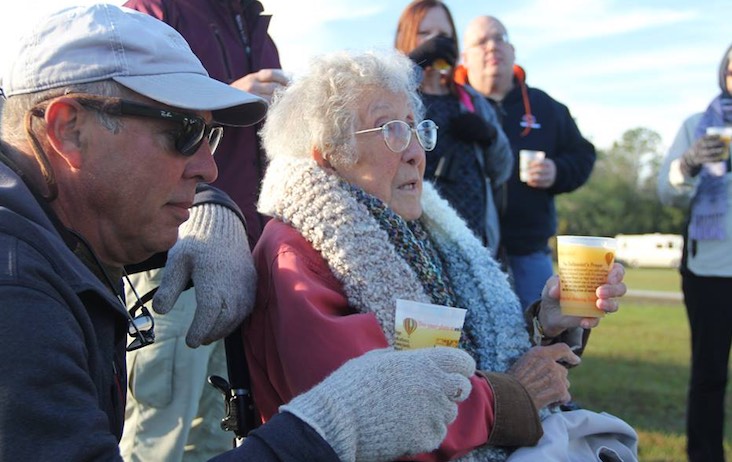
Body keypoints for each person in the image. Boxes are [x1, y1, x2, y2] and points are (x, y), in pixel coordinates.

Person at [0, 5, 477, 461]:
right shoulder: (16, 292)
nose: (208, 166)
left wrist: (216, 206)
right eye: (184, 132)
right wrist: (330, 428)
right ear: (69, 130)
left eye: (212, 137)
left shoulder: (49, 231)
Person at [243, 48, 630, 461]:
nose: (415, 152)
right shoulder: (298, 254)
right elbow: (378, 418)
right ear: (329, 155)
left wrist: (547, 325)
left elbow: (466, 348)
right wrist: (513, 396)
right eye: (391, 130)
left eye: (416, 129)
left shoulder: (416, 231)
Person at [120, 0, 288, 459]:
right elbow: (126, 119)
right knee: (161, 432)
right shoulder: (155, 10)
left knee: (218, 432)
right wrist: (225, 97)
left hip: (244, 260)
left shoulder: (258, 26)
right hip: (170, 253)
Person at [457, 16, 596, 309]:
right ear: (465, 58)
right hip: (466, 253)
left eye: (500, 38)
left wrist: (557, 171)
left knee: (542, 339)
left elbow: (583, 155)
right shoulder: (452, 105)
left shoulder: (544, 107)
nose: (493, 46)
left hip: (529, 252)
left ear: (513, 50)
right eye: (482, 41)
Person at [657, 43, 732, 462]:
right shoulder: (697, 125)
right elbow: (667, 192)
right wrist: (687, 164)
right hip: (709, 270)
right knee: (709, 375)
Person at [394, 0, 512, 258]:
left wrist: (490, 136)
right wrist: (412, 64)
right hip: (419, 243)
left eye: (445, 35)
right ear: (407, 37)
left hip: (474, 243)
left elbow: (502, 170)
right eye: (426, 34)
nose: (437, 41)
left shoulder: (469, 100)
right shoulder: (395, 96)